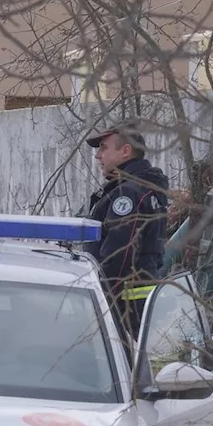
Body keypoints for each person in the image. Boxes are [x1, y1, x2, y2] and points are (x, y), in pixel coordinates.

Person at [78, 119, 170, 339]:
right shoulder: (144, 187)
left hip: (122, 308)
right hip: (135, 304)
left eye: (104, 148)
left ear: (126, 151)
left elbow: (119, 255)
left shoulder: (128, 194)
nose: (98, 155)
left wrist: (101, 302)